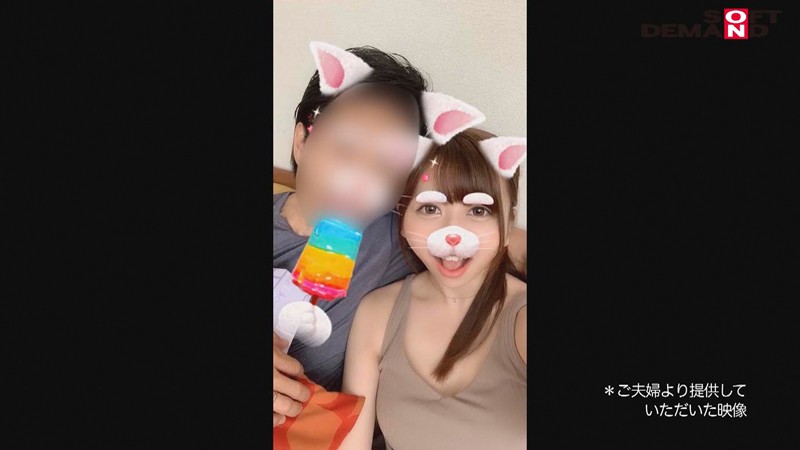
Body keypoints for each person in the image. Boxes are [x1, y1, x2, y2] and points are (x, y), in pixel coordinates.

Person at [272, 43, 528, 442]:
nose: (361, 180)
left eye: (388, 165)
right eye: (346, 148)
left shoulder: (408, 232)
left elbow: (501, 239)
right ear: (302, 140)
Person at [340, 128, 527, 450]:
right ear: (403, 219)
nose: (452, 233)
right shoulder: (376, 312)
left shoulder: (521, 319)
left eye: (478, 211)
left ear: (508, 227)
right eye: (430, 209)